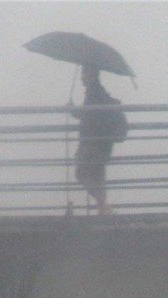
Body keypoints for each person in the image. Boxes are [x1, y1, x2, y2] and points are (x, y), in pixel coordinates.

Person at [72, 65, 125, 215]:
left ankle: (104, 206)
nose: (81, 77)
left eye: (84, 73)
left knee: (81, 174)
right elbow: (91, 115)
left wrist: (73, 111)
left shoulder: (94, 93)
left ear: (91, 75)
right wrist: (76, 112)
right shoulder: (98, 92)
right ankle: (104, 209)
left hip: (93, 143)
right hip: (104, 142)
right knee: (98, 176)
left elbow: (89, 117)